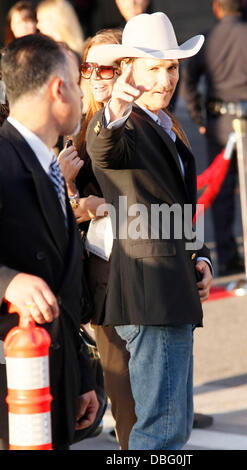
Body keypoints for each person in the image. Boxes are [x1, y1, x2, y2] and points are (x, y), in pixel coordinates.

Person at [86, 12, 213, 450]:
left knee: (172, 427)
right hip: (149, 296)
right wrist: (115, 108)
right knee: (159, 430)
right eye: (153, 66)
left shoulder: (164, 124)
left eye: (172, 66)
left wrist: (201, 258)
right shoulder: (125, 123)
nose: (166, 78)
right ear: (127, 70)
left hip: (171, 289)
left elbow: (179, 208)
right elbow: (102, 147)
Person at [0, 33, 99, 450]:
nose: (82, 94)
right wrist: (7, 282)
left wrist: (80, 376)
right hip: (11, 382)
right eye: (78, 84)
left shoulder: (49, 164)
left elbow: (63, 283)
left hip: (54, 373)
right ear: (58, 89)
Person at [58, 28, 137, 450]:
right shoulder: (80, 127)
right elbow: (63, 214)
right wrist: (71, 191)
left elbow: (178, 203)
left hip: (152, 276)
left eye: (107, 67)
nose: (97, 76)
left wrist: (201, 259)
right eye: (89, 68)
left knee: (162, 405)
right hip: (104, 278)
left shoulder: (154, 121)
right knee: (125, 403)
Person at [181, 0, 247, 277]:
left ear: (217, 8)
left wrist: (199, 118)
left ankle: (228, 257)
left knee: (222, 191)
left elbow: (188, 81)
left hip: (219, 124)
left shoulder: (207, 40)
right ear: (242, 6)